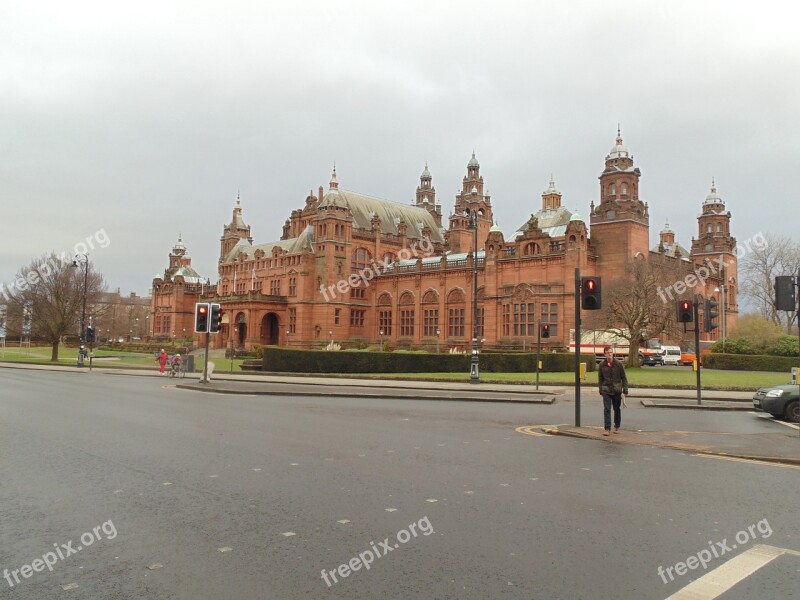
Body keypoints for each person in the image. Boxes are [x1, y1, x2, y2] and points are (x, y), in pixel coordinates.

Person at [598, 346, 629, 436]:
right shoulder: (602, 365)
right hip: (606, 390)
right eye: (607, 352)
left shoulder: (618, 364)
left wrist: (625, 389)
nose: (609, 354)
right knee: (607, 409)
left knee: (616, 409)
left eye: (611, 352)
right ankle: (607, 428)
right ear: (605, 354)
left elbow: (624, 378)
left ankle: (617, 426)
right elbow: (600, 378)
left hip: (617, 390)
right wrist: (601, 389)